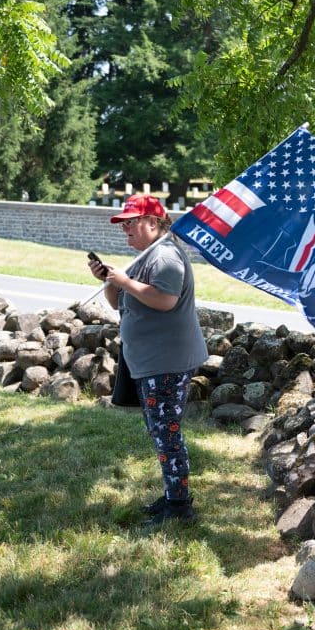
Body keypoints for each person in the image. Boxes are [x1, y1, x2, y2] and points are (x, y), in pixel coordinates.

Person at [89, 194, 208, 527]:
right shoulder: (147, 255)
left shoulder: (166, 257)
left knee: (167, 434)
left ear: (154, 223)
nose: (126, 230)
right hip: (152, 359)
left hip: (166, 362)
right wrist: (110, 281)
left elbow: (165, 300)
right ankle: (173, 496)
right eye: (123, 224)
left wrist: (125, 281)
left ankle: (181, 506)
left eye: (132, 223)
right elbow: (116, 303)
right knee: (160, 431)